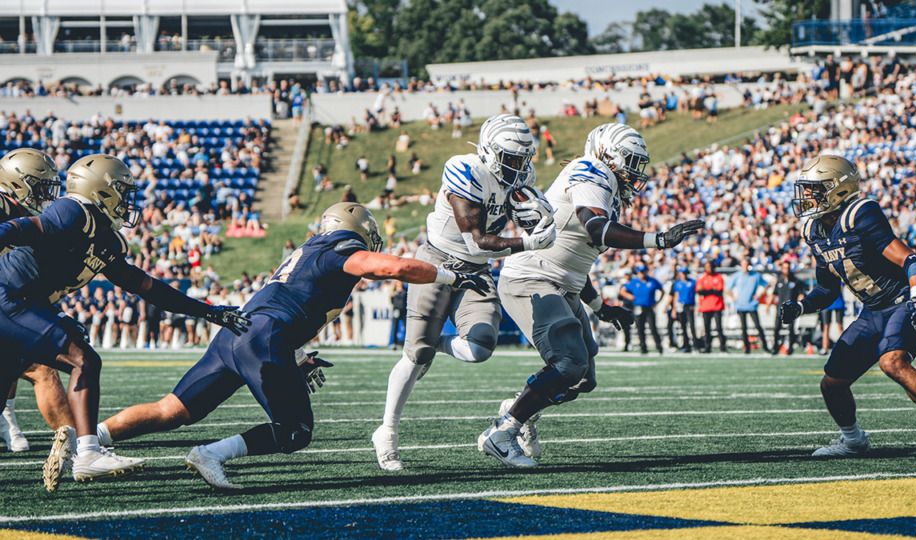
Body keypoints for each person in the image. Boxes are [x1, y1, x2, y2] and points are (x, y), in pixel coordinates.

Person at [96, 203, 490, 490]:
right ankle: (211, 454)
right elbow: (395, 268)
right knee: (296, 431)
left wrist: (296, 354)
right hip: (264, 338)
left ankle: (89, 440)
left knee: (171, 409)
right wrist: (449, 275)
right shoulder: (340, 248)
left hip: (237, 335)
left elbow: (281, 303)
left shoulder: (305, 252)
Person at [0, 154, 251, 491]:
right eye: (122, 191)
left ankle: (85, 451)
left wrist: (208, 311)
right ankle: (88, 453)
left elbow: (147, 287)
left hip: (18, 304)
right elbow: (25, 228)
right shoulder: (73, 210)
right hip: (8, 298)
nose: (128, 201)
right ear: (102, 191)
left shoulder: (105, 240)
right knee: (84, 359)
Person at [480, 123, 703, 466]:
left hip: (563, 283)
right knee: (568, 363)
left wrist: (601, 306)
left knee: (583, 379)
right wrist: (657, 239)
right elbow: (594, 227)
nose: (634, 170)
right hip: (532, 276)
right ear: (606, 154)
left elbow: (574, 259)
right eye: (629, 160)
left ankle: (517, 407)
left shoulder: (607, 185)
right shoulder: (590, 170)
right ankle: (503, 431)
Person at [371, 114, 558, 471]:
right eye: (511, 159)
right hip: (439, 262)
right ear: (488, 151)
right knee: (415, 356)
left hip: (477, 270)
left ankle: (432, 344)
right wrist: (530, 241)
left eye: (523, 159)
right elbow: (476, 243)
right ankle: (387, 431)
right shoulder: (464, 170)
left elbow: (512, 225)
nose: (518, 168)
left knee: (479, 348)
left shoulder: (519, 177)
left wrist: (538, 219)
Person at [779, 155, 916, 456]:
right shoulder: (814, 231)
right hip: (872, 311)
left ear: (836, 189)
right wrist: (800, 307)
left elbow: (912, 260)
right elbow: (827, 289)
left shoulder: (859, 214)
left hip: (902, 300)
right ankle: (853, 441)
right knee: (832, 383)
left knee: (892, 362)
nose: (807, 196)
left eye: (814, 188)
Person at [0, 148, 73, 454]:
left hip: (11, 300)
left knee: (27, 363)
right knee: (41, 366)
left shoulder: (26, 214)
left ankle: (8, 420)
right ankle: (82, 448)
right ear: (17, 183)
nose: (46, 194)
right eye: (40, 185)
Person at [729, 258, 771, 354]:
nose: (744, 266)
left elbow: (767, 285)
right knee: (743, 327)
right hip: (740, 305)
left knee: (758, 326)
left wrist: (760, 295)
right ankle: (747, 348)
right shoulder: (737, 276)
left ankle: (765, 347)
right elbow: (727, 288)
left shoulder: (755, 275)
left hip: (752, 305)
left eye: (746, 264)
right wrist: (733, 296)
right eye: (743, 264)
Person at [620, 265, 664, 355]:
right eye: (640, 272)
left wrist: (657, 302)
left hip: (649, 307)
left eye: (643, 272)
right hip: (638, 307)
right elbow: (622, 290)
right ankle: (643, 347)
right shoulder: (634, 282)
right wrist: (630, 297)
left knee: (653, 328)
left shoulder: (652, 281)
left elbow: (662, 291)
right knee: (640, 328)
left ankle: (659, 347)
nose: (641, 274)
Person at [771, 260, 805, 355]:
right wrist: (769, 304)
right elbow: (775, 293)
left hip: (791, 309)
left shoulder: (796, 281)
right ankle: (775, 348)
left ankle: (790, 348)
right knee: (777, 328)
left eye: (788, 268)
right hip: (780, 308)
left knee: (791, 329)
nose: (786, 270)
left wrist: (800, 303)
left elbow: (801, 294)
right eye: (785, 268)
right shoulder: (779, 281)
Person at [696, 260, 727, 353]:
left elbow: (719, 291)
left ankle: (723, 347)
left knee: (719, 328)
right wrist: (711, 290)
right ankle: (707, 347)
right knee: (707, 328)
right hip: (706, 306)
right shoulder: (702, 278)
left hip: (717, 306)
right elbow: (699, 291)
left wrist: (706, 291)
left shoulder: (718, 277)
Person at [670, 267, 697, 353]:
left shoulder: (692, 282)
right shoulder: (677, 283)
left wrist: (697, 305)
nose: (683, 275)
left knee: (692, 326)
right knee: (683, 327)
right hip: (680, 306)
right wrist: (674, 308)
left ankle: (696, 346)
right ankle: (686, 346)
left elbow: (697, 294)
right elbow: (676, 296)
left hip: (689, 306)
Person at [821, 288, 846, 354]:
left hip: (838, 302)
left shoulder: (839, 277)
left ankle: (842, 348)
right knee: (826, 326)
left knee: (840, 326)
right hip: (826, 302)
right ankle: (824, 348)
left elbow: (840, 288)